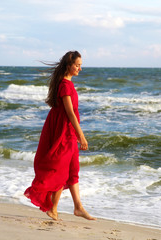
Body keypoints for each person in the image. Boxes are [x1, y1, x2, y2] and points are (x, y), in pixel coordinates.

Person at [24, 51, 96, 221]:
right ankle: (55, 208)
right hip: (65, 132)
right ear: (68, 65)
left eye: (80, 65)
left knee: (72, 170)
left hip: (68, 131)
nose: (80, 68)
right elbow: (70, 113)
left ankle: (76, 207)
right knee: (62, 170)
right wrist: (81, 135)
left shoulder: (67, 84)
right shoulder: (65, 85)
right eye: (77, 65)